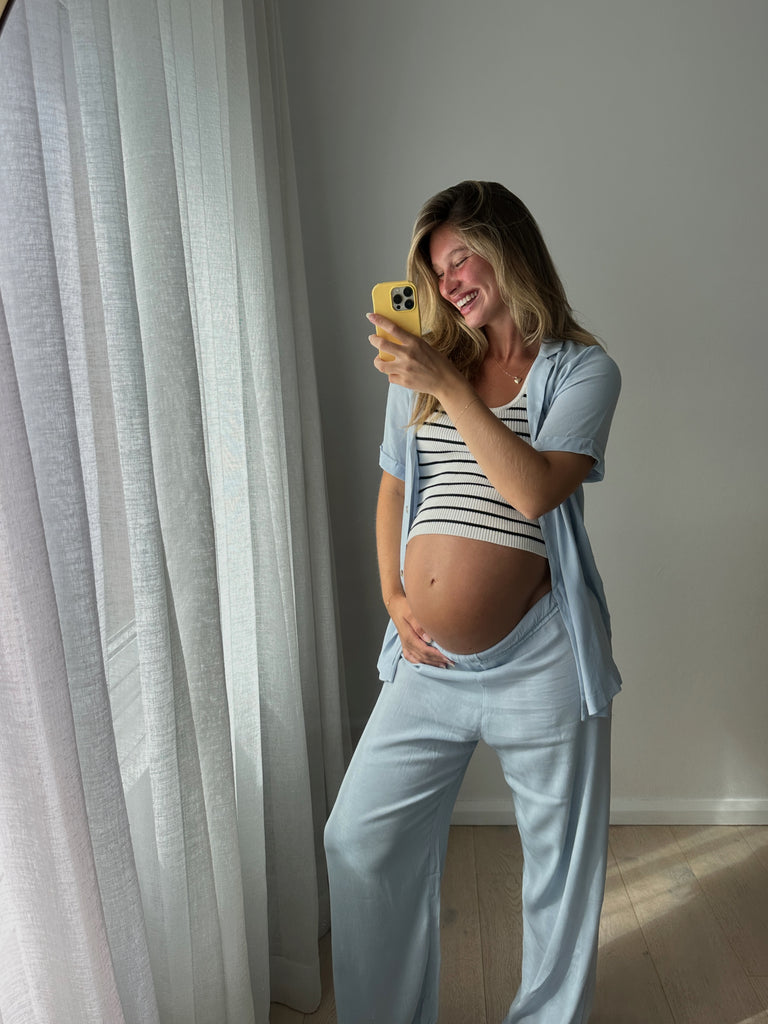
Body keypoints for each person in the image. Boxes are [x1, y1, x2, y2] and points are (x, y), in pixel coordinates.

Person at [324, 180, 622, 1024]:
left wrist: (448, 386)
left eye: (461, 258)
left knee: (558, 872)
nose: (449, 281)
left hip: (541, 656)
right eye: (433, 268)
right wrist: (392, 593)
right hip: (429, 663)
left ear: (509, 247)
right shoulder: (426, 365)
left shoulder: (584, 370)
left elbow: (533, 492)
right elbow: (391, 488)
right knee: (357, 840)